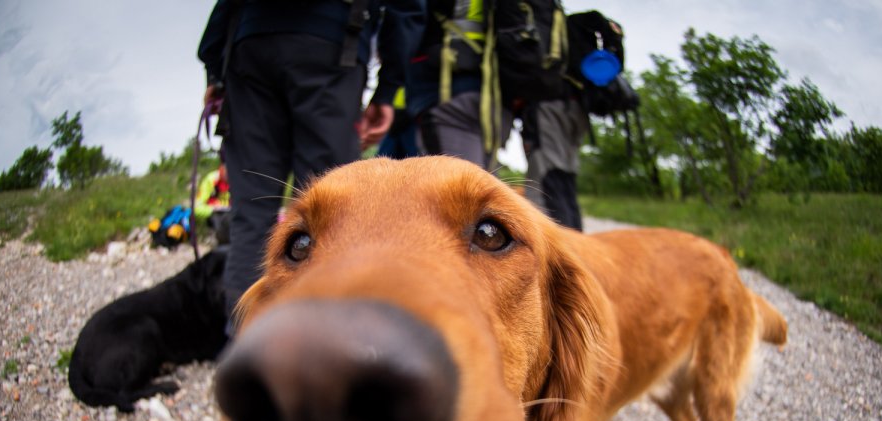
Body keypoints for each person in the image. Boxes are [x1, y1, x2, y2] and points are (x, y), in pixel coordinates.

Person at [198, 0, 426, 323]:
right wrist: (388, 89)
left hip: (247, 45)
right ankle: (334, 339)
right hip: (334, 43)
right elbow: (408, 8)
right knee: (335, 218)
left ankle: (242, 340)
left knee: (250, 215)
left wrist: (214, 68)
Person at [405, 0, 511, 169]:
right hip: (497, 101)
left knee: (453, 180)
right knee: (481, 177)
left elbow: (406, 23)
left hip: (448, 98)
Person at [520, 97, 590, 231]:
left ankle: (559, 241)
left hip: (548, 110)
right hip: (575, 109)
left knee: (543, 188)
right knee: (566, 191)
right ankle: (577, 240)